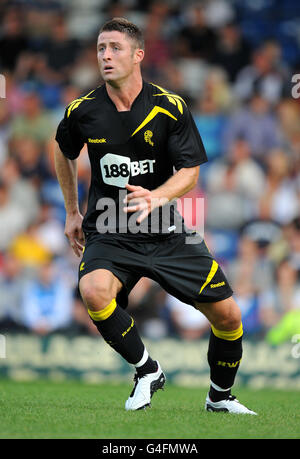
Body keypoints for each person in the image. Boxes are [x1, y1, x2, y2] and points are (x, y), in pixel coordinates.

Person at [55, 17, 256, 414]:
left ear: (138, 55)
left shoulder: (170, 106)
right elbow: (62, 150)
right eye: (100, 48)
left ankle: (219, 397)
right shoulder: (83, 110)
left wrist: (155, 197)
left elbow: (190, 172)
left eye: (114, 48)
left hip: (165, 229)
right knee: (94, 291)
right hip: (109, 228)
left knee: (230, 317)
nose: (105, 56)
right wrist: (72, 211)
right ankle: (147, 370)